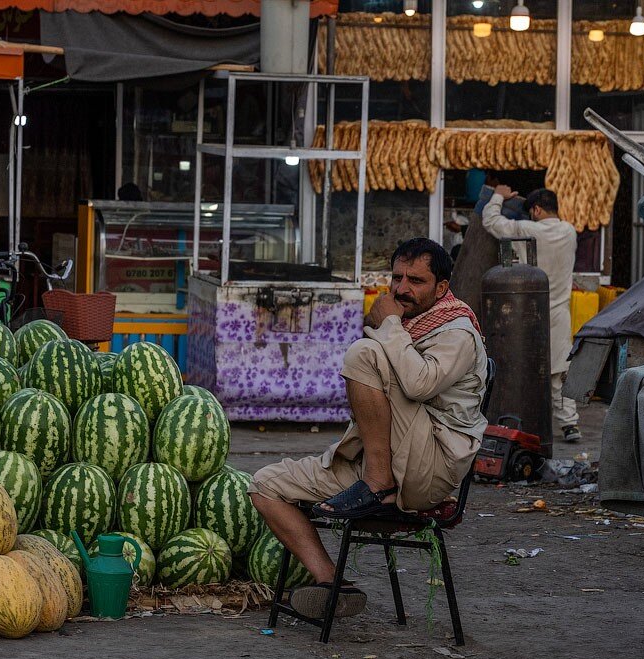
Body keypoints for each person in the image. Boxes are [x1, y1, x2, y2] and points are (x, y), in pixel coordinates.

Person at [248, 239, 489, 620]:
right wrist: (392, 327)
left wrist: (389, 324)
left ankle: (378, 484)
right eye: (397, 277)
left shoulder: (457, 332)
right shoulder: (405, 326)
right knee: (265, 484)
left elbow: (421, 384)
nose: (401, 289)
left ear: (441, 288)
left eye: (416, 280)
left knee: (364, 353)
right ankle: (334, 585)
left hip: (429, 467)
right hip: (382, 456)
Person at [482, 186, 580, 442]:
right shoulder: (569, 232)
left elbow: (490, 221)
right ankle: (570, 425)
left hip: (529, 313)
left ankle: (525, 419)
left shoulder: (528, 230)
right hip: (559, 313)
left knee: (524, 370)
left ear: (536, 210)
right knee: (558, 372)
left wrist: (498, 197)